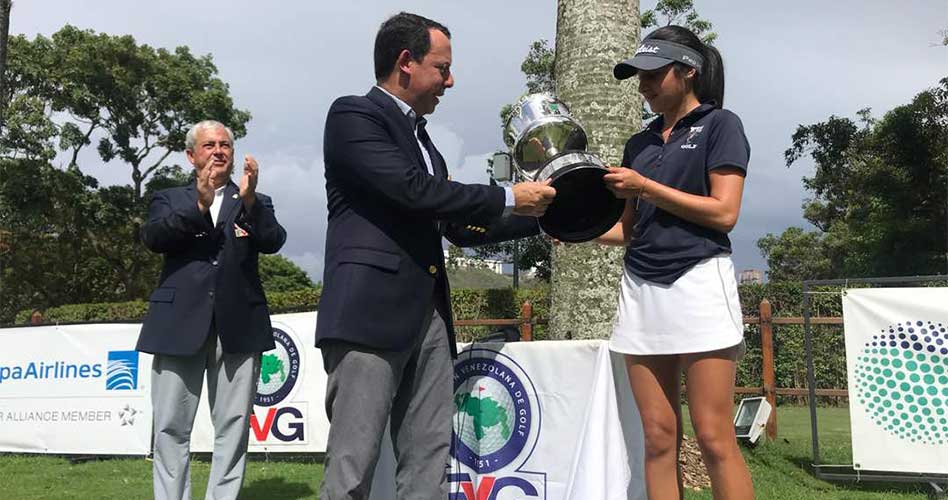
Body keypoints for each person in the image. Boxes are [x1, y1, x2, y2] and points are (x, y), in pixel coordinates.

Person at [315, 12, 556, 500]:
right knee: (351, 468)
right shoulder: (353, 116)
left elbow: (457, 228)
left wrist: (551, 215)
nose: (450, 80)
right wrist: (510, 195)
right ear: (406, 63)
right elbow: (413, 192)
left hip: (429, 319)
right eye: (441, 68)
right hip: (368, 318)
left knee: (427, 462)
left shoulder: (426, 143)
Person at [597, 25, 755, 500]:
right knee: (660, 437)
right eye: (638, 76)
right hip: (641, 290)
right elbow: (628, 228)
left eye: (652, 75)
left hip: (700, 283)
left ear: (687, 72)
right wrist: (570, 229)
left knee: (713, 437)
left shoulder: (721, 125)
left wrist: (644, 187)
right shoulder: (638, 145)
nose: (643, 86)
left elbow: (724, 213)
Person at [136, 120, 287, 500]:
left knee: (233, 427)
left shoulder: (254, 201)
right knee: (170, 427)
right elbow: (155, 238)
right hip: (177, 326)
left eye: (225, 145)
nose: (218, 151)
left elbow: (273, 240)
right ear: (191, 155)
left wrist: (251, 203)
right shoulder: (169, 198)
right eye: (209, 145)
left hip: (239, 326)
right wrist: (200, 204)